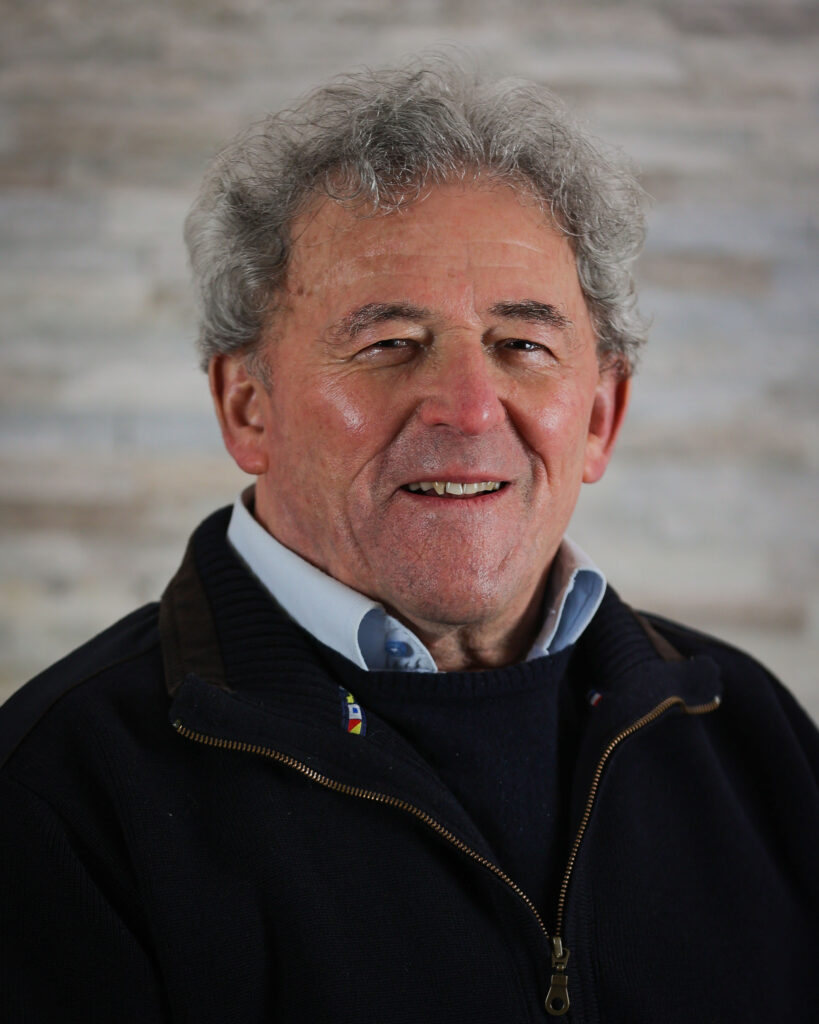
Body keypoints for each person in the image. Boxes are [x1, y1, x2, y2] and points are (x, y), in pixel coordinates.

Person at [1, 57, 817, 1023]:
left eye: (522, 345)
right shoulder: (59, 798)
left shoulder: (750, 733)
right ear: (247, 405)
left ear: (599, 416)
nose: (468, 409)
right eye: (388, 343)